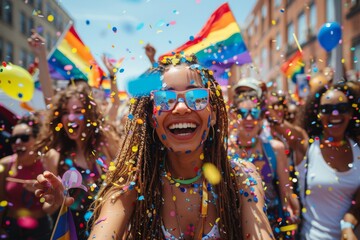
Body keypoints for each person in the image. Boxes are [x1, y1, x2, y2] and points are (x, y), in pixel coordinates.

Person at [34, 54, 274, 239]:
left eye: (197, 97)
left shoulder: (241, 177)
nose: (181, 108)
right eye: (165, 100)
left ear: (212, 112)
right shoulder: (131, 186)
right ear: (150, 116)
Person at [268, 80, 360, 239]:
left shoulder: (358, 149)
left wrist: (347, 226)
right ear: (318, 114)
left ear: (351, 113)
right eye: (327, 109)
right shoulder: (306, 146)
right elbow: (277, 122)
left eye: (342, 109)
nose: (335, 114)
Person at [34, 82, 121, 239]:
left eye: (78, 111)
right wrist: (55, 198)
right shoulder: (55, 156)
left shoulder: (105, 145)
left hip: (108, 228)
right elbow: (48, 209)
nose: (71, 117)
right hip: (73, 232)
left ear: (90, 116)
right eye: (66, 112)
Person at [228, 84, 300, 239]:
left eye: (254, 113)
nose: (249, 118)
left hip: (271, 225)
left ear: (261, 118)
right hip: (234, 226)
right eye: (242, 113)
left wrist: (290, 204)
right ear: (234, 117)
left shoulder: (275, 149)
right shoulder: (224, 150)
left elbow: (286, 190)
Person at [0, 113, 53, 239]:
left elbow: (54, 202)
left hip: (40, 230)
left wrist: (44, 191)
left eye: (24, 138)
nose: (17, 143)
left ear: (37, 139)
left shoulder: (47, 162)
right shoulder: (4, 165)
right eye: (13, 139)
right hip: (11, 229)